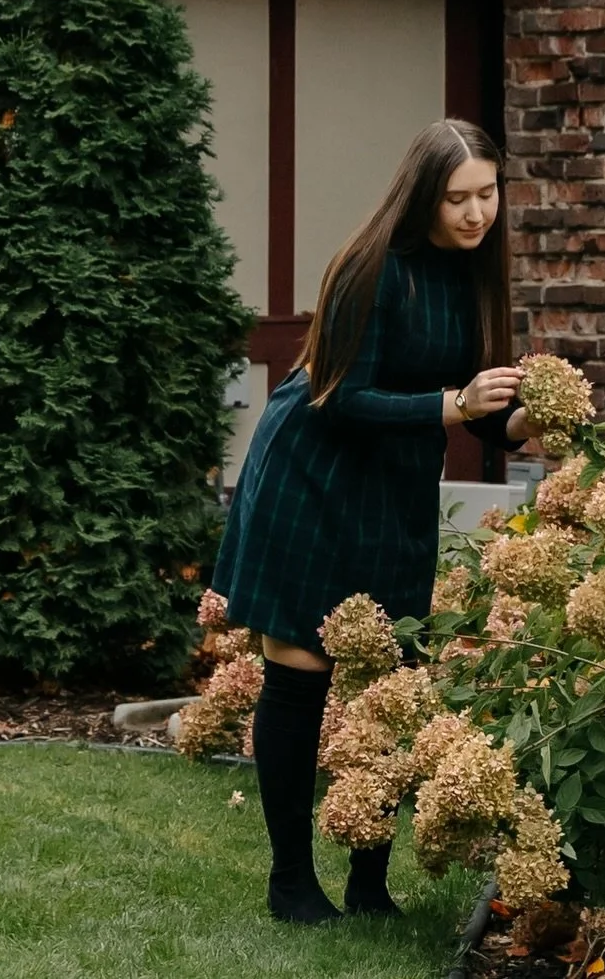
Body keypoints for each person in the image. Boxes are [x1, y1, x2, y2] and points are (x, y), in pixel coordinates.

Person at [213, 118, 531, 925]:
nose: (475, 213)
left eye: (487, 194)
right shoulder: (372, 267)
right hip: (310, 476)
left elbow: (479, 410)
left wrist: (528, 419)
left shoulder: (475, 273)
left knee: (391, 680)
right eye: (457, 198)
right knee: (302, 674)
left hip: (392, 487)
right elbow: (341, 395)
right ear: (422, 194)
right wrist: (452, 406)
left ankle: (367, 881)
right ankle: (291, 882)